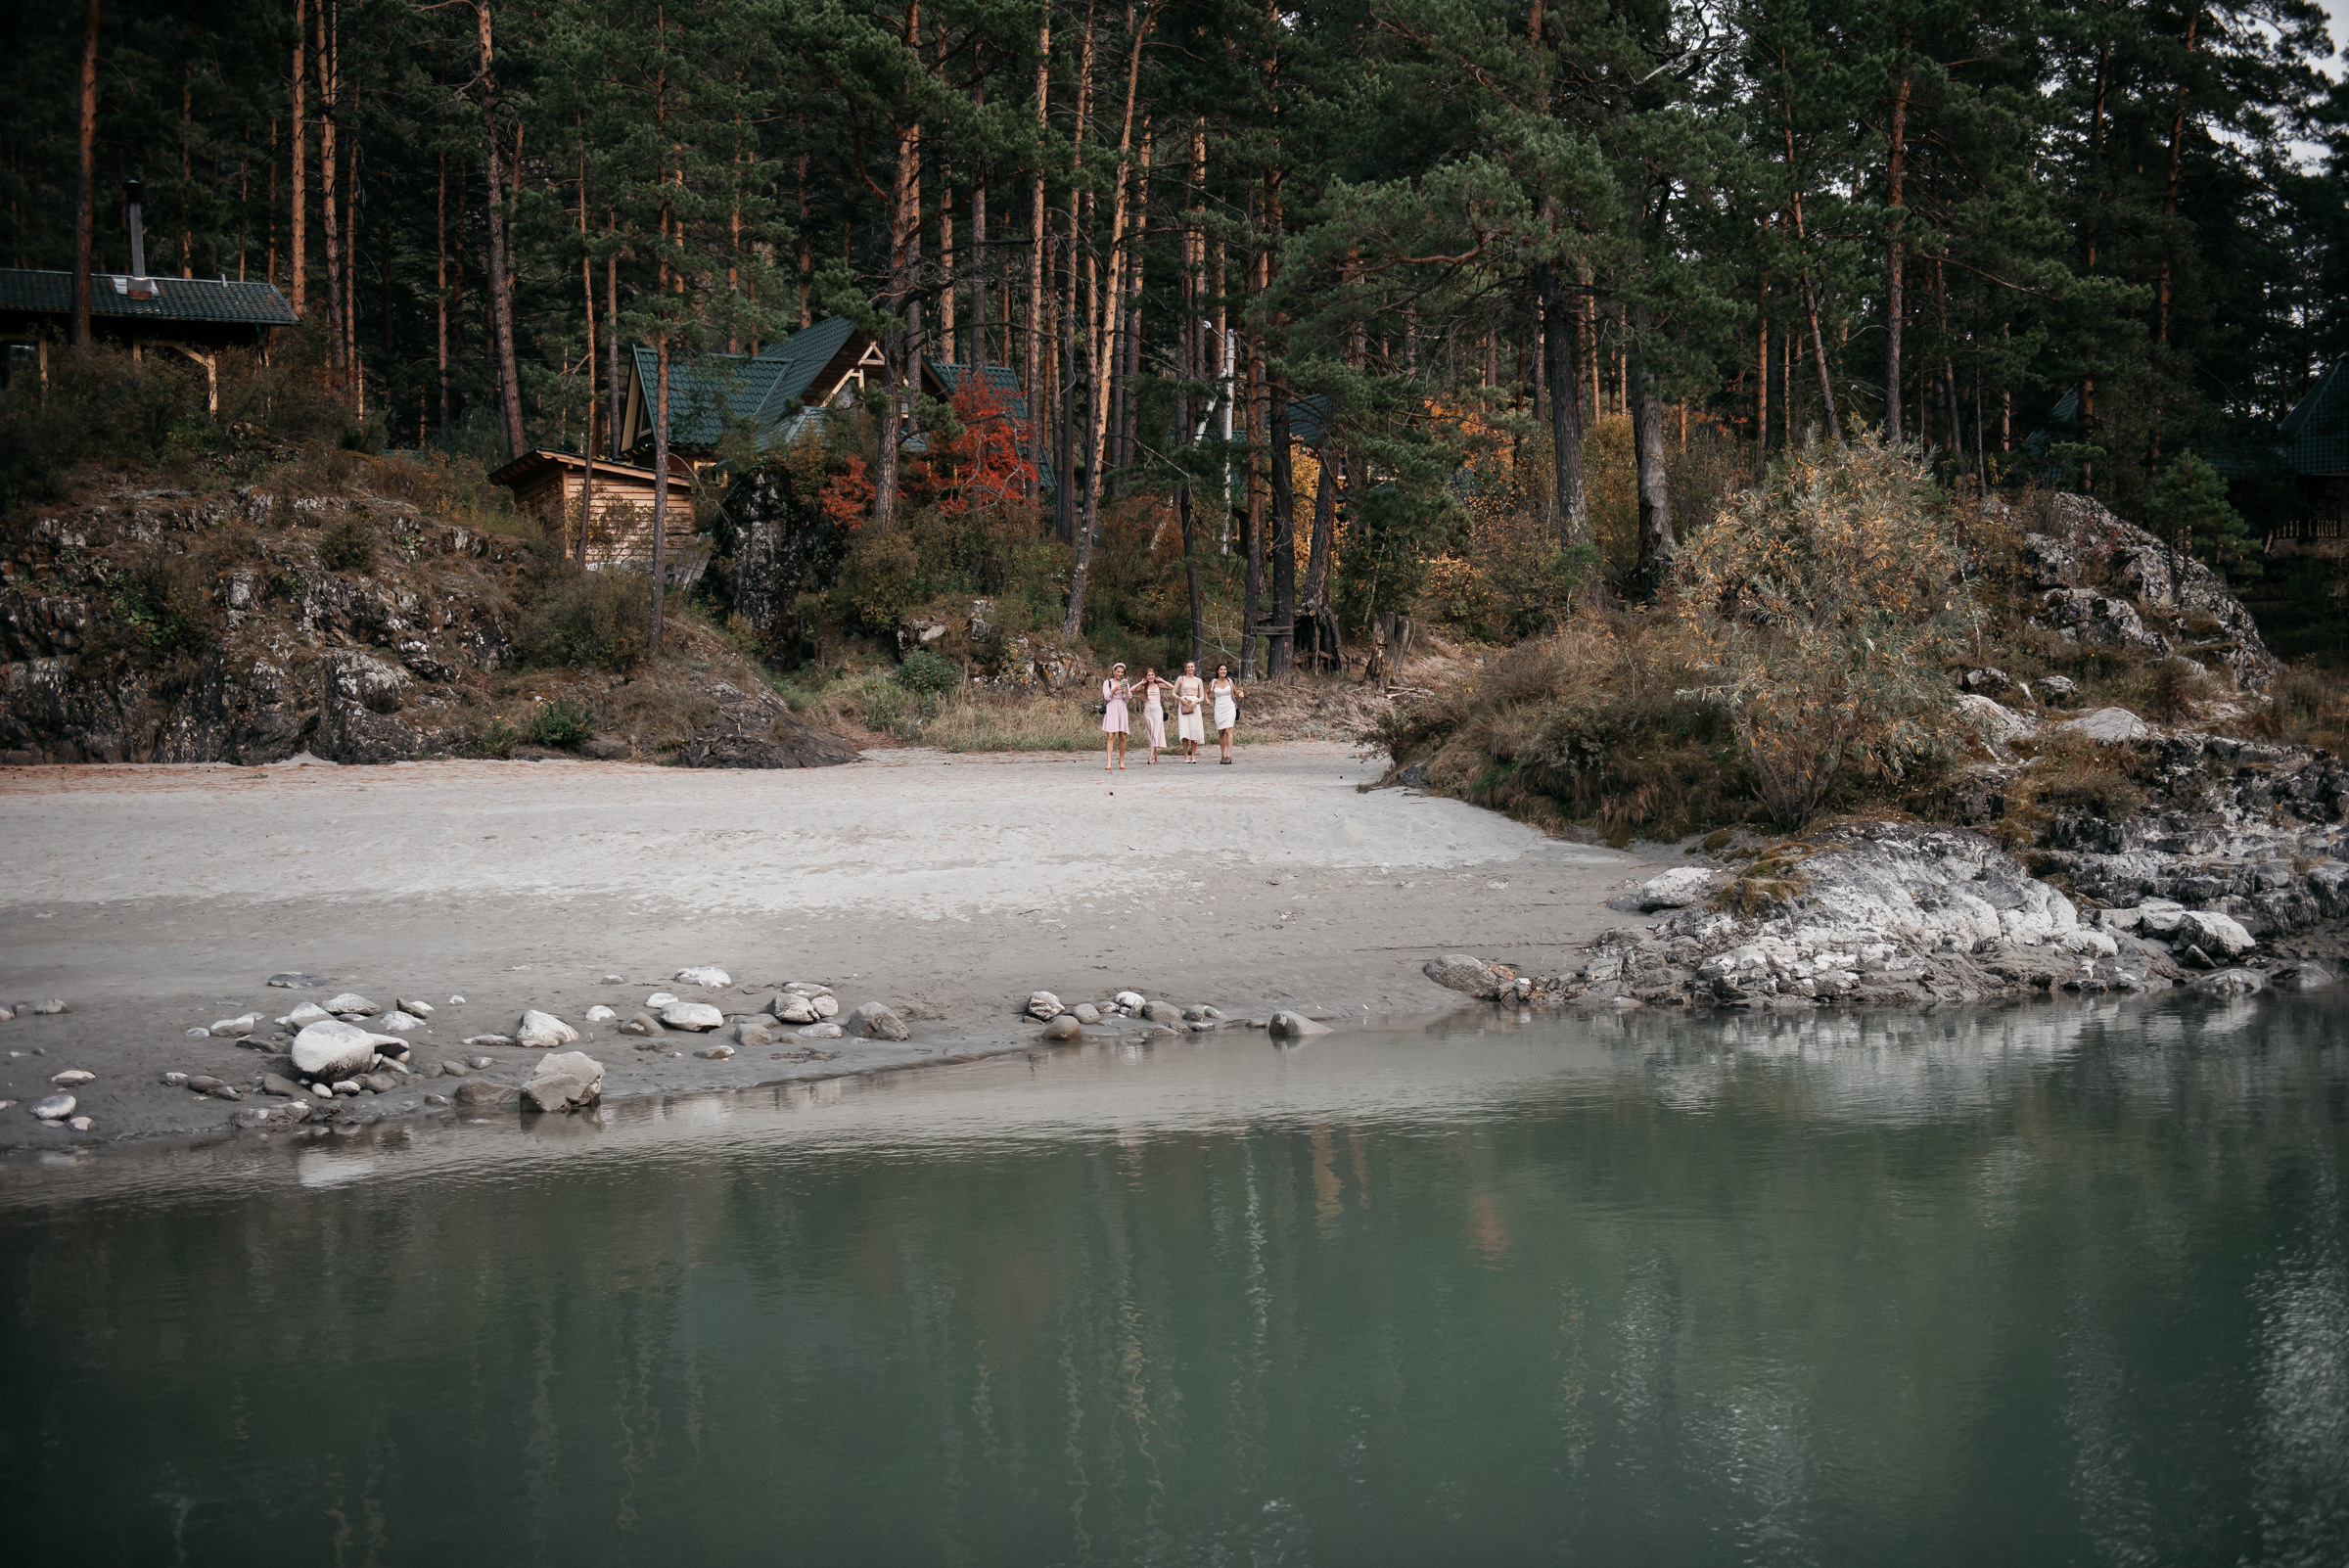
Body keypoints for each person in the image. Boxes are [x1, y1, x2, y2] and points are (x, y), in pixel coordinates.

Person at [1172, 662, 1207, 763]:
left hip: (1195, 705)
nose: (1190, 669)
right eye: (1188, 667)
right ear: (1186, 668)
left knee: (1194, 729)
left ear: (1194, 668)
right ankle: (1186, 755)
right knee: (1185, 729)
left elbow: (1202, 696)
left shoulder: (1198, 680)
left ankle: (1193, 756)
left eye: (1192, 667)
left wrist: (1196, 701)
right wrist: (1180, 699)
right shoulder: (1181, 679)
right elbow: (1173, 692)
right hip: (1184, 703)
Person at [1210, 664, 1244, 763]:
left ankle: (1228, 755)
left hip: (1229, 707)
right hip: (1219, 708)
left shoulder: (1229, 681)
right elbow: (1207, 693)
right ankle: (1223, 754)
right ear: (1217, 671)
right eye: (1221, 669)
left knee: (1228, 730)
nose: (1223, 671)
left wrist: (1240, 693)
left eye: (1225, 669)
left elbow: (1235, 691)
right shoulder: (1213, 682)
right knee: (1221, 732)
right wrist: (1207, 700)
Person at [1100, 664, 1132, 770]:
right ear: (1114, 671)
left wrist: (1126, 687)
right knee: (1110, 735)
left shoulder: (1125, 682)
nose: (1120, 674)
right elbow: (1107, 697)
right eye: (1118, 672)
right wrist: (1115, 689)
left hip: (1121, 707)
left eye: (1122, 672)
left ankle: (1121, 759)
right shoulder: (1108, 682)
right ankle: (1109, 761)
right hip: (1112, 707)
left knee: (1122, 735)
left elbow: (1128, 696)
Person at [1135, 667, 1171, 762]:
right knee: (1150, 733)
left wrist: (1162, 680)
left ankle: (1150, 757)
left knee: (1155, 732)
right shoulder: (1144, 687)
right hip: (1148, 711)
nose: (1150, 677)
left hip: (1157, 711)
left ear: (1155, 676)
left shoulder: (1159, 686)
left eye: (1152, 675)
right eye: (1149, 675)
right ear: (1146, 677)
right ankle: (1156, 757)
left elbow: (1171, 687)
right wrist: (1141, 682)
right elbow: (1130, 690)